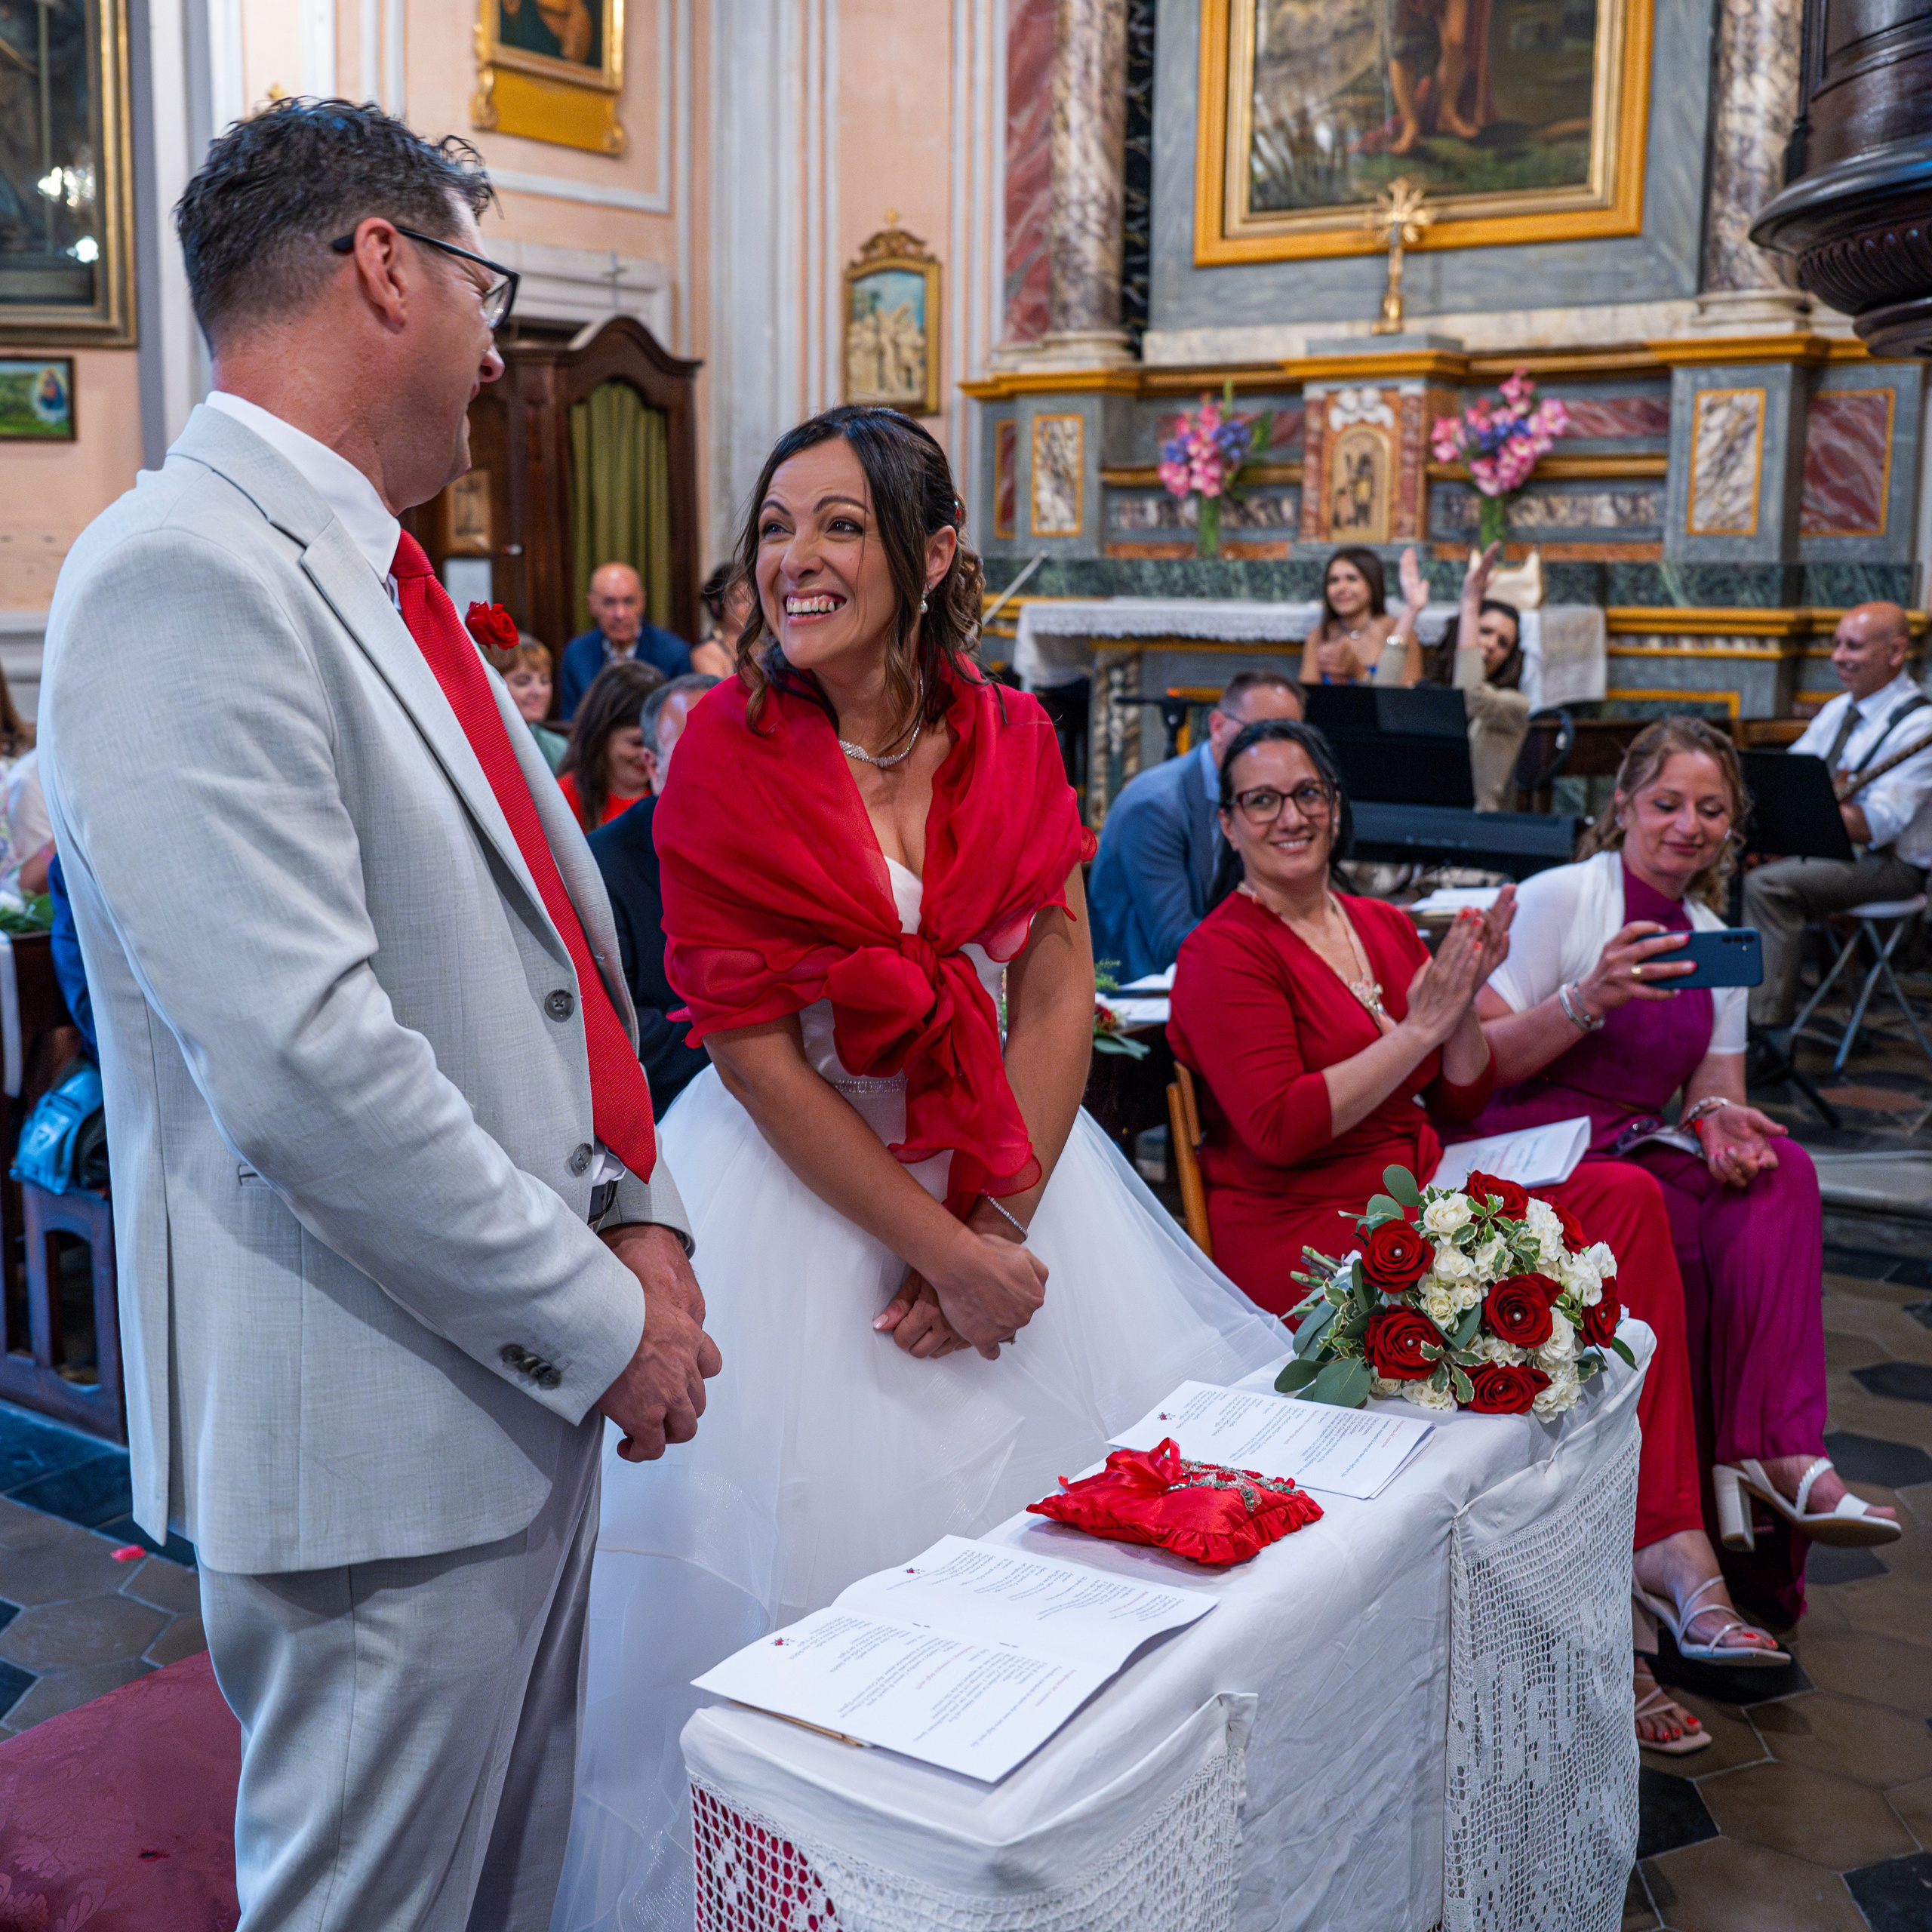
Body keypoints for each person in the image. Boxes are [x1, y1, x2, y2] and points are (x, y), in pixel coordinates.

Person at [40, 100, 719, 1930]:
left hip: (493, 1407)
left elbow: (544, 964)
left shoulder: (384, 579)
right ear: (385, 265)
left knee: (505, 1894)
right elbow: (305, 1059)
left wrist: (642, 1214)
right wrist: (604, 1315)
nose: (503, 348)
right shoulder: (182, 571)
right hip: (377, 1441)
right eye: (486, 286)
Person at [553, 406, 1284, 1930]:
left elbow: (1059, 968)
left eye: (835, 523)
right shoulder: (722, 763)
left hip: (1009, 1161)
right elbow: (748, 1051)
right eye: (772, 526)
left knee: (1061, 1608)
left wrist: (998, 1217)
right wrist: (935, 1250)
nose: (793, 558)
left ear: (929, 550)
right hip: (793, 1187)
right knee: (807, 1606)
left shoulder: (1009, 733)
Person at [1168, 717, 1793, 1758]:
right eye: (1263, 800)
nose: (1291, 816)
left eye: (1308, 793)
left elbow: (1459, 1090)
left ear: (1335, 805)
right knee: (1577, 1277)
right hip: (1315, 1227)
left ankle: (1663, 1543)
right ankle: (1612, 1623)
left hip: (1420, 1183)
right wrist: (1421, 1026)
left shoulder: (1373, 922)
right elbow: (1279, 1129)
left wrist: (1462, 997)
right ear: (1229, 824)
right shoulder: (1221, 953)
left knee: (1628, 1198)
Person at [1473, 720, 1898, 1606]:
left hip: (1630, 1145)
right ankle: (1664, 1532)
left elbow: (1712, 1088)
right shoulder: (1561, 899)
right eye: (1666, 803)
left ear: (1732, 827)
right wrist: (1584, 1000)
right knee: (1657, 1210)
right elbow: (1476, 1064)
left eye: (1711, 810)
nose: (1687, 825)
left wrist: (1719, 1124)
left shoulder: (1710, 936)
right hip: (1526, 1144)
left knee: (1782, 1173)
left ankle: (1775, 1449)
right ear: (1621, 804)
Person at [1743, 601, 1932, 1054]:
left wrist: (1803, 812)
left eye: (1854, 646)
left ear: (1896, 652)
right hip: (1828, 850)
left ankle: (1765, 1036)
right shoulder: (1836, 712)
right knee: (1721, 864)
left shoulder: (1921, 725)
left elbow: (1878, 825)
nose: (1839, 657)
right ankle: (1714, 1012)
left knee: (1769, 886)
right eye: (1836, 644)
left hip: (1890, 867)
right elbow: (1789, 780)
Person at [1086, 668, 1303, 983]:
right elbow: (1172, 942)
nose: (1276, 752)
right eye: (1261, 733)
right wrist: (1284, 954)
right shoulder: (1155, 805)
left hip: (1219, 968)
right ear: (1217, 725)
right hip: (1138, 994)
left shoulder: (1265, 797)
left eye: (1290, 737)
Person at [586, 673, 720, 1115]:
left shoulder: (784, 838)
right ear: (652, 766)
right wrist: (754, 1046)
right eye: (692, 757)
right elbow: (615, 1023)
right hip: (670, 1105)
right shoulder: (604, 864)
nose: (718, 777)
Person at [1415, 542, 1531, 813]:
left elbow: (1469, 700)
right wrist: (1410, 612)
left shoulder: (1513, 706)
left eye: (1503, 643)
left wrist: (1470, 604)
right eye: (1485, 631)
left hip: (1477, 824)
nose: (1491, 645)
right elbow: (1381, 702)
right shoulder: (1429, 691)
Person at [558, 561, 692, 718]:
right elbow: (571, 723)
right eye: (609, 603)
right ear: (592, 605)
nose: (620, 614)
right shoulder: (577, 654)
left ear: (642, 602)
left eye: (629, 602)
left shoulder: (674, 653)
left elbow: (680, 721)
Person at [558, 657, 663, 829]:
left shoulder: (677, 798)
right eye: (637, 743)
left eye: (658, 743)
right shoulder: (563, 800)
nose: (649, 755)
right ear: (601, 736)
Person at [1299, 546, 1423, 688]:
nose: (1341, 588)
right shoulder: (1319, 636)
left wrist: (1359, 673)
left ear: (1372, 583)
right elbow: (1307, 699)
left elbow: (1407, 701)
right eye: (1334, 581)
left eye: (1351, 579)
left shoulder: (1396, 631)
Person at [506, 632, 570, 772]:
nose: (538, 691)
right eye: (523, 682)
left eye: (544, 681)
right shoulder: (476, 749)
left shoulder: (560, 749)